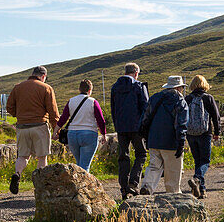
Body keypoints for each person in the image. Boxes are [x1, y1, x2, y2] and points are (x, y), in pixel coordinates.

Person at [5, 65, 59, 195]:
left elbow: (9, 107)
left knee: (23, 155)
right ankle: (41, 186)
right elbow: (53, 111)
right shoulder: (46, 88)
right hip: (40, 126)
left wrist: (19, 115)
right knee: (42, 156)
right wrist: (56, 128)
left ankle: (17, 174)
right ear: (43, 76)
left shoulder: (18, 87)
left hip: (22, 127)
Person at [140, 75, 188, 194]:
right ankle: (172, 196)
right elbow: (181, 124)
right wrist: (181, 142)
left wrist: (146, 137)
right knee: (172, 170)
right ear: (179, 88)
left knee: (154, 166)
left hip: (154, 139)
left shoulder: (155, 98)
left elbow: (145, 119)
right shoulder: (180, 101)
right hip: (171, 141)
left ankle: (147, 187)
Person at [110, 62, 149, 199]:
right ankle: (133, 183)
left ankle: (124, 189)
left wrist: (117, 125)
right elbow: (145, 107)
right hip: (136, 127)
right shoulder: (138, 86)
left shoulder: (115, 87)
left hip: (121, 128)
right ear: (136, 73)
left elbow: (113, 109)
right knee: (141, 154)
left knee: (123, 157)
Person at [56, 79, 108, 172]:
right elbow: (100, 119)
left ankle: (76, 183)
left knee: (79, 163)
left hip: (72, 135)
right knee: (84, 165)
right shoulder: (93, 102)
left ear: (79, 89)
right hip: (89, 134)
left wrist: (55, 131)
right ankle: (82, 185)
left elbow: (63, 118)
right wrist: (103, 134)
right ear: (90, 90)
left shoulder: (71, 101)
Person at [184, 74, 221, 199]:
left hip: (190, 133)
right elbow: (216, 117)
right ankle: (198, 179)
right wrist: (217, 132)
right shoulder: (208, 98)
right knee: (205, 161)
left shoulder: (187, 98)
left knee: (197, 160)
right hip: (205, 133)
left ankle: (202, 189)